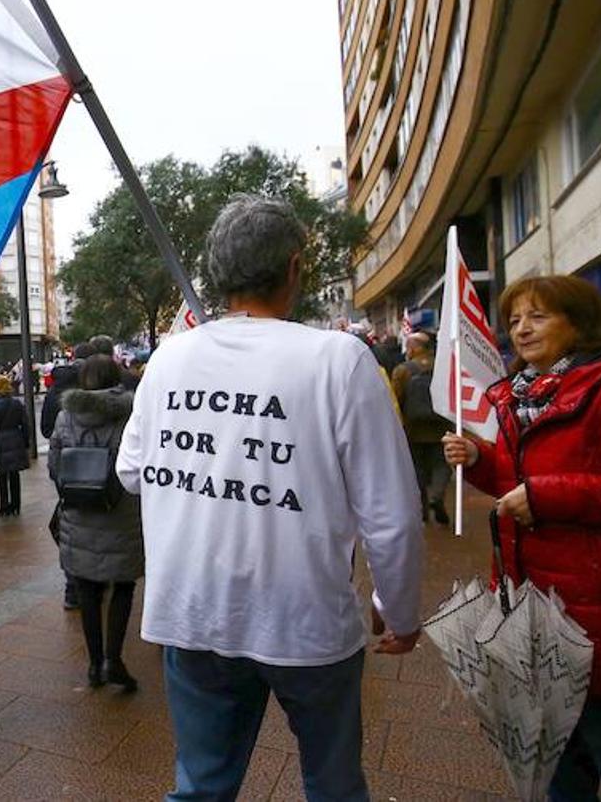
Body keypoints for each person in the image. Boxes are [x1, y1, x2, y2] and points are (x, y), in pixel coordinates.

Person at [117, 195, 424, 802]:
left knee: (202, 787)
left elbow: (132, 471)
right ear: (293, 268)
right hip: (305, 619)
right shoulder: (337, 359)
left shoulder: (168, 361)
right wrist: (400, 606)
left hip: (193, 610)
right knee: (333, 785)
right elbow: (389, 513)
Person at [442, 275, 601, 801]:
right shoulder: (520, 395)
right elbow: (518, 482)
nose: (521, 329)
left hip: (598, 611)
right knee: (554, 757)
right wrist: (482, 463)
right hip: (534, 608)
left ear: (578, 323)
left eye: (538, 316)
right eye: (513, 320)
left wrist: (549, 495)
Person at [49, 354, 144, 691]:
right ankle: (114, 660)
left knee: (87, 591)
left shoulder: (65, 416)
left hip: (78, 514)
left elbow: (54, 467)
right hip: (121, 515)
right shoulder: (130, 414)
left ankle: (93, 665)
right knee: (123, 587)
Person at [41, 341, 95, 610]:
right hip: (98, 471)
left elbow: (44, 430)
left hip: (66, 473)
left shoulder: (54, 392)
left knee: (68, 524)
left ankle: (72, 587)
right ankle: (91, 579)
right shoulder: (91, 389)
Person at [391, 331, 451, 525]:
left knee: (417, 470)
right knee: (442, 465)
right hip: (441, 427)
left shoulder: (403, 370)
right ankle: (438, 496)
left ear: (415, 348)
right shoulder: (444, 366)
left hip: (413, 430)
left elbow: (395, 400)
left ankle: (422, 510)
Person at [0, 374, 29, 516]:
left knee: (2, 476)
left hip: (0, 441)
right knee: (14, 475)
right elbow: (25, 424)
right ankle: (16, 505)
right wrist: (25, 442)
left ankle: (4, 505)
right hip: (15, 439)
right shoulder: (17, 403)